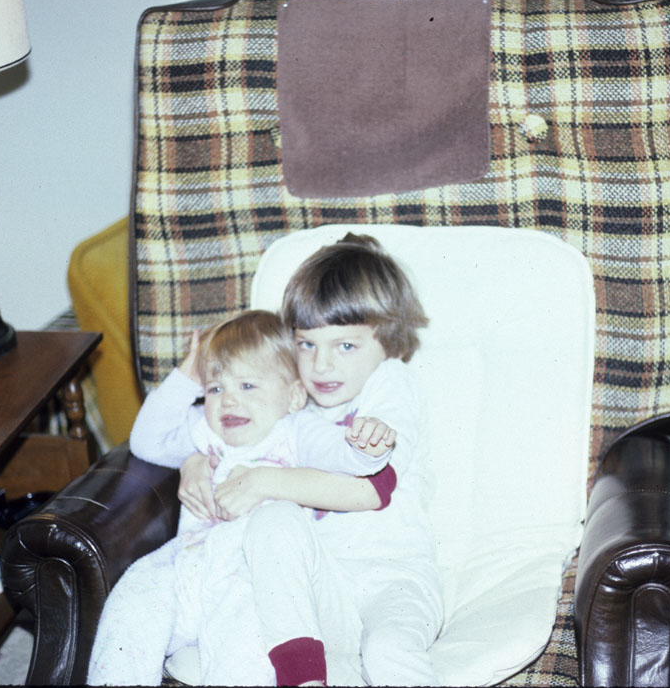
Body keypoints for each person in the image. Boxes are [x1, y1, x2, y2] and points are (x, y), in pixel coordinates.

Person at [87, 310, 396, 686]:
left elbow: (343, 456)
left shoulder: (295, 431)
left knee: (244, 647)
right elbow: (146, 442)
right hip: (186, 564)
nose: (229, 401)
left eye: (248, 386)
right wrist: (187, 376)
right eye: (215, 389)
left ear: (294, 396)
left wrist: (368, 447)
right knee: (131, 601)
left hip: (251, 578)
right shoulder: (205, 431)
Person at [220, 233, 445, 686]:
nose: (321, 365)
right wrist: (193, 465)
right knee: (273, 521)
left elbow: (371, 491)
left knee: (387, 653)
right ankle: (303, 679)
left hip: (395, 583)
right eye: (306, 344)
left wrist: (263, 480)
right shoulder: (296, 400)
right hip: (324, 593)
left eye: (345, 346)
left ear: (391, 345)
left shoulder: (389, 382)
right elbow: (225, 430)